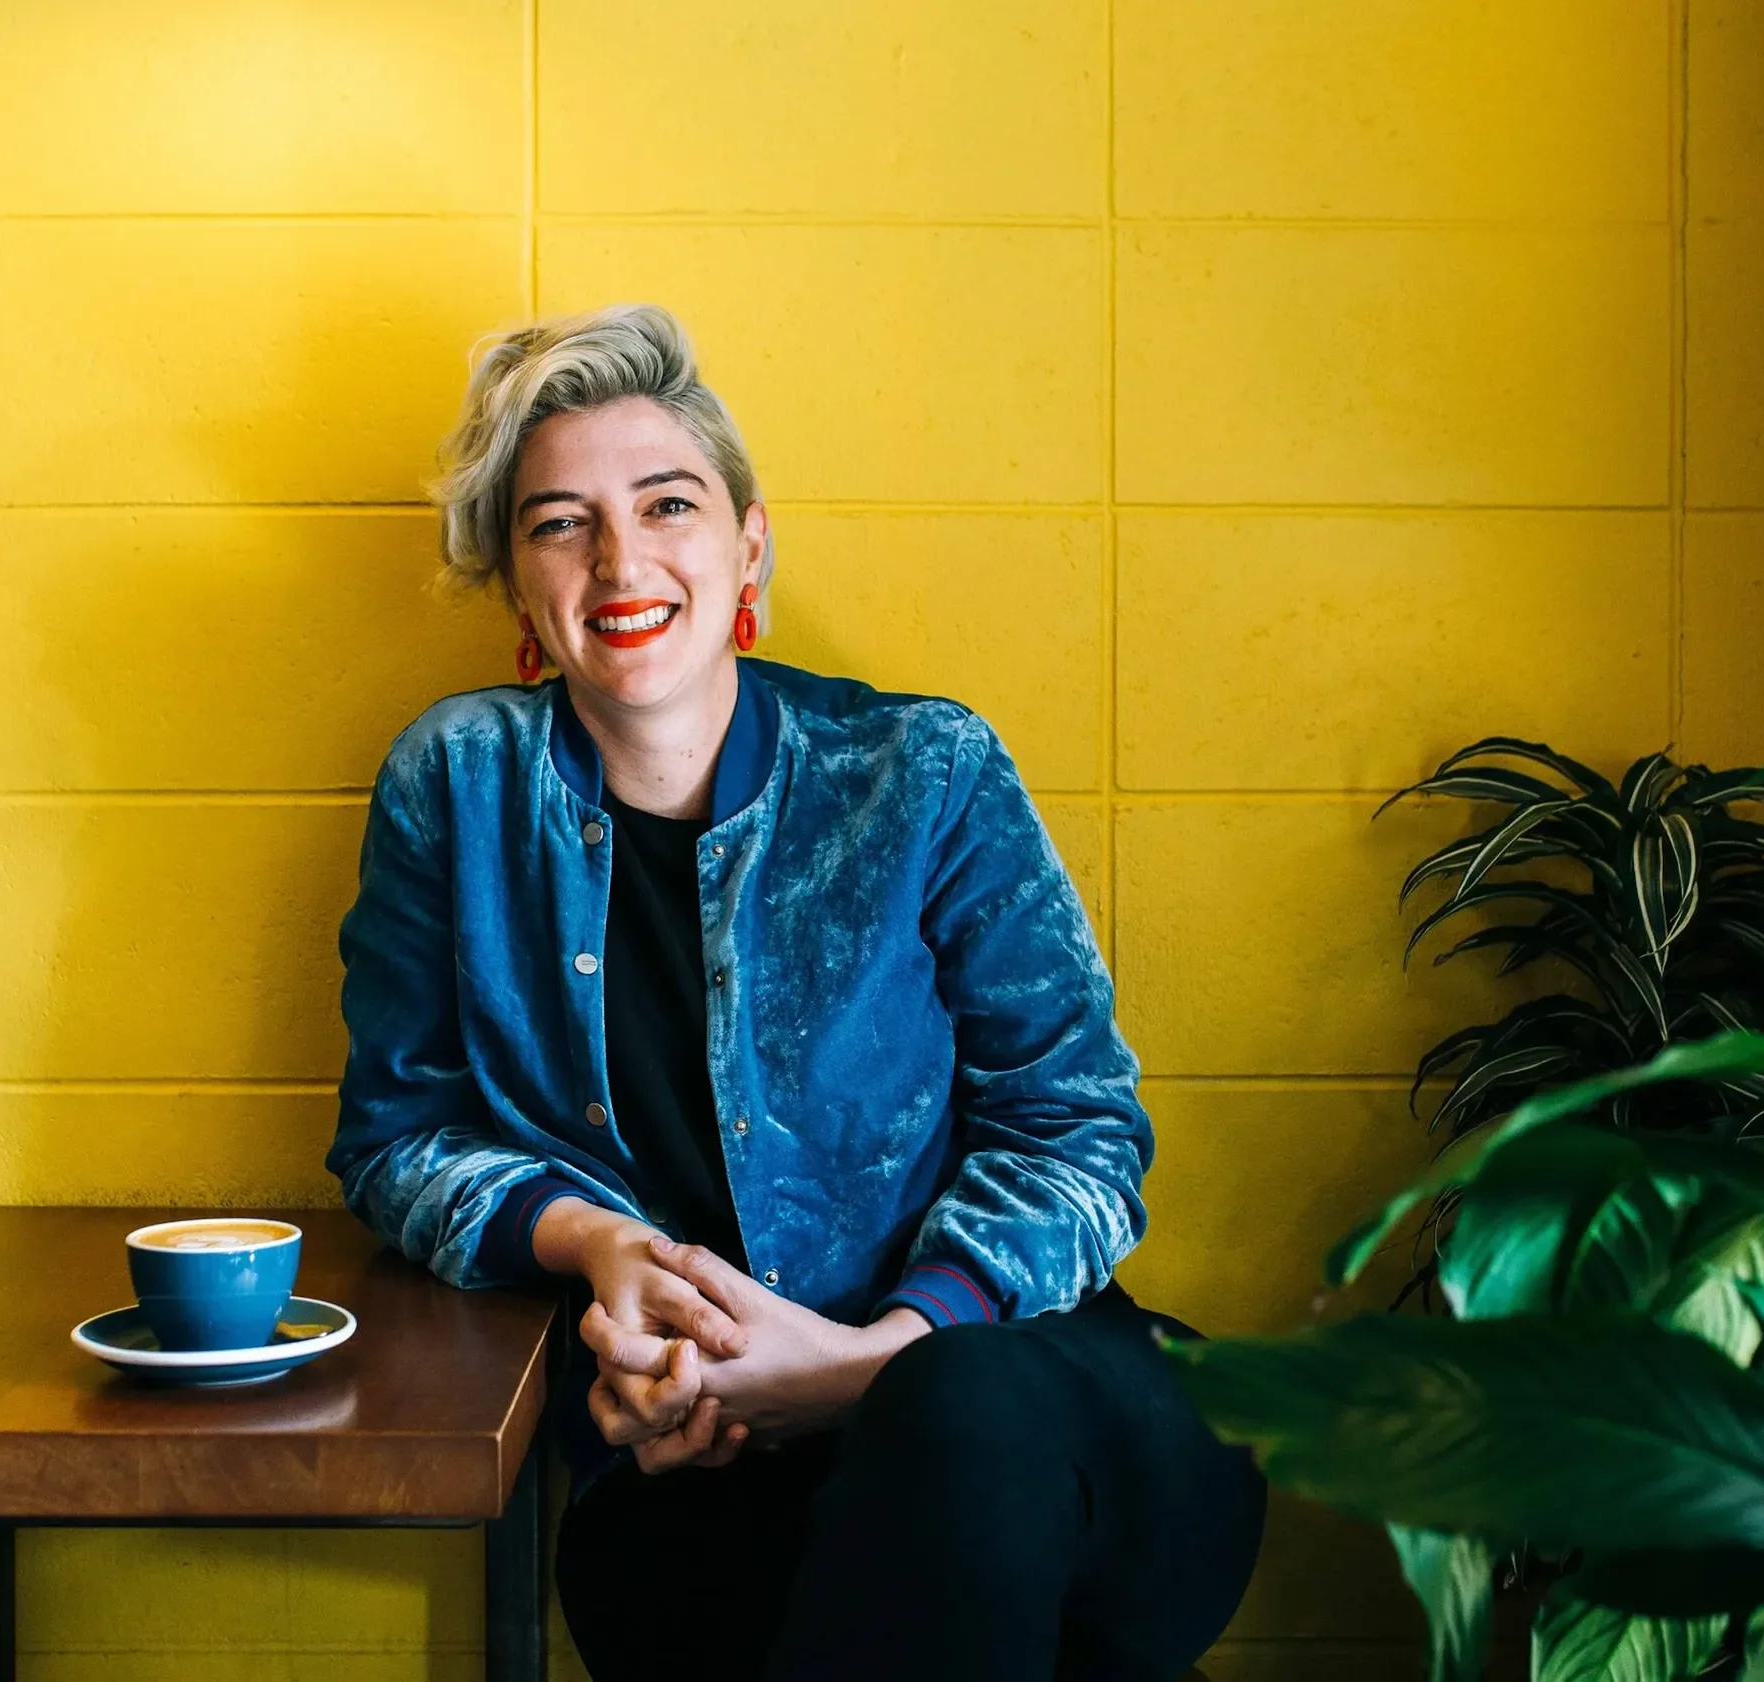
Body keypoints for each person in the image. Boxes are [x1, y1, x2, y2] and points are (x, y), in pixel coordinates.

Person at [328, 303, 1265, 1682]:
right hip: (697, 1464)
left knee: (954, 1424)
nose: (619, 558)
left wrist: (870, 1358)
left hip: (1041, 1404)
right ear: (520, 598)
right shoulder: (456, 786)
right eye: (558, 524)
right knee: (681, 1580)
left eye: (667, 505)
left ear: (749, 543)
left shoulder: (923, 769)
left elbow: (1080, 1131)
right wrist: (595, 1246)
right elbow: (398, 1133)